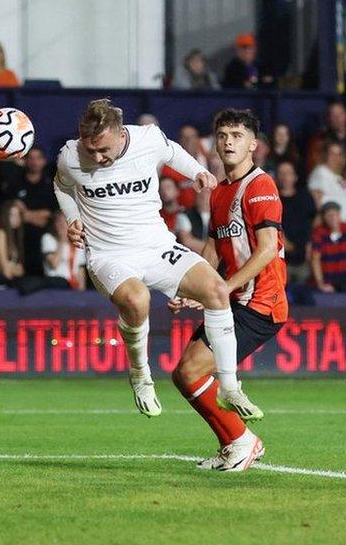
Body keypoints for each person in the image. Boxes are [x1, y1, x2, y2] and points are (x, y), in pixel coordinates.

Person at [54, 98, 258, 422]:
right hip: (110, 254)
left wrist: (199, 172)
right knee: (137, 300)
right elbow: (62, 186)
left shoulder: (147, 139)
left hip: (157, 246)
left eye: (103, 150)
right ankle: (140, 374)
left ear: (121, 135)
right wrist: (72, 218)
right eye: (90, 150)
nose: (96, 157)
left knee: (217, 290)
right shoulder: (70, 156)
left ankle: (230, 386)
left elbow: (172, 151)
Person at [169, 108, 288, 472]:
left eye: (237, 135)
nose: (228, 142)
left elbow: (267, 249)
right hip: (230, 302)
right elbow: (213, 251)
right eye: (222, 135)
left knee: (190, 372)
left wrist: (219, 289)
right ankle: (235, 443)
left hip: (259, 304)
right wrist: (194, 287)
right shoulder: (220, 192)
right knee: (183, 374)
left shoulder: (260, 186)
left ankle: (242, 441)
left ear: (253, 144)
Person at [0, 146, 57, 276]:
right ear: (25, 161)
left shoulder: (50, 184)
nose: (34, 162)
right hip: (20, 237)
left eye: (38, 158)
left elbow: (49, 214)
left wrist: (25, 214)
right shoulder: (17, 183)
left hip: (44, 234)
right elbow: (12, 211)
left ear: (44, 161)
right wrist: (34, 215)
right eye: (31, 158)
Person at [277, 161, 316, 284]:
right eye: (281, 173)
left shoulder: (305, 197)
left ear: (295, 177)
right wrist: (283, 241)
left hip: (302, 260)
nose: (284, 177)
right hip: (280, 261)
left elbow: (314, 219)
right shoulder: (272, 197)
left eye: (288, 173)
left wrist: (309, 245)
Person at [41, 211, 86, 290]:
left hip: (73, 287)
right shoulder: (48, 239)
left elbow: (80, 271)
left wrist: (81, 293)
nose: (61, 224)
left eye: (65, 221)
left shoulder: (78, 243)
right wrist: (62, 241)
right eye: (59, 221)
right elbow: (54, 264)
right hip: (56, 286)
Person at [0, 200, 25, 285]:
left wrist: (11, 266)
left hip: (11, 281)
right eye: (12, 215)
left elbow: (21, 270)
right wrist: (12, 267)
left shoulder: (13, 237)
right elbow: (5, 270)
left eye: (18, 215)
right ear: (5, 216)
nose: (16, 218)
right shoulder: (0, 233)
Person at [311, 201, 346, 292]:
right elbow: (315, 259)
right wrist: (320, 283)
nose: (332, 218)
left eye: (335, 214)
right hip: (328, 281)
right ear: (324, 218)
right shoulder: (319, 233)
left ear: (339, 215)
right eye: (329, 215)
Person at [307, 141, 346, 220]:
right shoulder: (320, 172)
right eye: (332, 154)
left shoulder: (339, 177)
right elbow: (316, 200)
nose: (335, 157)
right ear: (326, 155)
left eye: (338, 154)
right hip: (332, 225)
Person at [305, 101, 346, 171]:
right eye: (333, 115)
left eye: (340, 114)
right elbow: (314, 167)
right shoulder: (318, 141)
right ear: (328, 118)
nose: (337, 118)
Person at [175, 189, 210, 254]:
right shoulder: (184, 215)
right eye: (201, 195)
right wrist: (212, 249)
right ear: (195, 196)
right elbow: (187, 241)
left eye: (207, 194)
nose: (204, 197)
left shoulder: (218, 215)